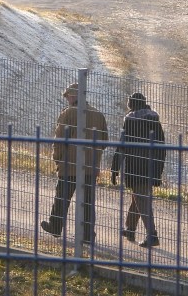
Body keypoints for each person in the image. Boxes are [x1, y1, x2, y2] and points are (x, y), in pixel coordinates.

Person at [41, 82, 109, 242]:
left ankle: (56, 226)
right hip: (90, 167)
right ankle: (87, 235)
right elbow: (105, 141)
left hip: (70, 166)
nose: (67, 99)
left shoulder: (69, 113)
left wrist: (57, 159)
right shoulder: (98, 115)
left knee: (62, 197)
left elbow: (59, 139)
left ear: (74, 96)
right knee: (87, 202)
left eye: (68, 96)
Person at [111, 92, 166, 248]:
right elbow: (162, 146)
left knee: (142, 199)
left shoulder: (130, 120)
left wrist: (114, 168)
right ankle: (130, 229)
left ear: (131, 105)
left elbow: (123, 146)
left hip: (136, 166)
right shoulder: (155, 119)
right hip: (153, 164)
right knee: (139, 196)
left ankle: (152, 235)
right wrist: (159, 168)